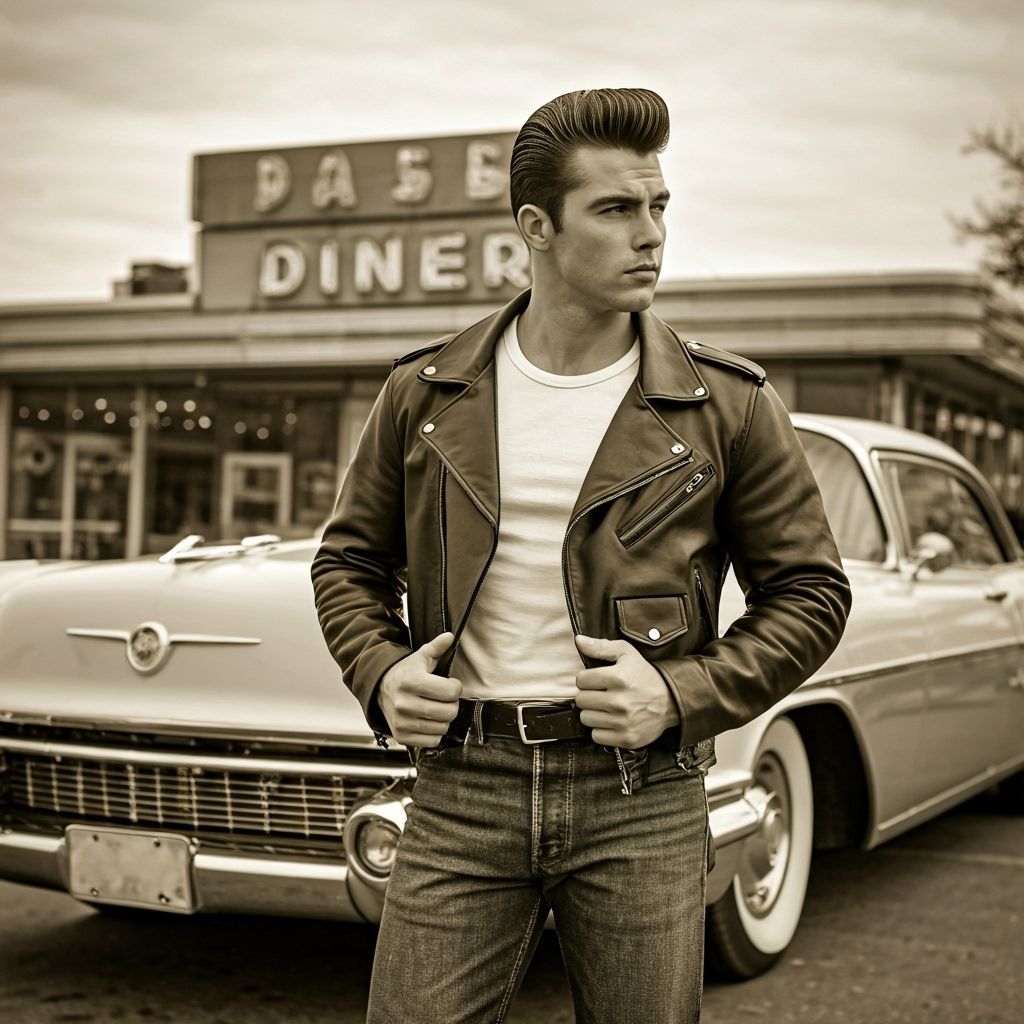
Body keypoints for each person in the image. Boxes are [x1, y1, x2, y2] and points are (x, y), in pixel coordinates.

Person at [312, 87, 851, 1024]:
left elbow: (809, 593)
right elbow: (349, 563)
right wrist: (380, 671)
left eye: (659, 206)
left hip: (641, 797)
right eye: (616, 209)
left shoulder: (727, 404)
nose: (651, 234)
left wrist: (680, 695)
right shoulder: (426, 392)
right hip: (460, 790)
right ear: (537, 227)